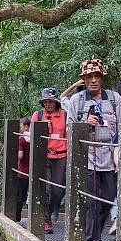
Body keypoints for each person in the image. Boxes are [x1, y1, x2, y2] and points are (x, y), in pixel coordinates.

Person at [61, 58, 121, 241]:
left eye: (97, 76)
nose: (94, 80)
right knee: (92, 202)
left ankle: (91, 234)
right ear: (84, 79)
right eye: (89, 76)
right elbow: (69, 129)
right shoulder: (76, 101)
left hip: (111, 154)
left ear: (102, 78)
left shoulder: (114, 99)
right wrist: (84, 124)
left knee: (108, 198)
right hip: (88, 156)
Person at [31, 87, 67, 233]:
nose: (48, 104)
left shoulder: (64, 114)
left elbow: (68, 134)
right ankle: (46, 219)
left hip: (61, 155)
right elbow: (31, 136)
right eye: (45, 101)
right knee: (46, 189)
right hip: (44, 155)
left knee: (57, 191)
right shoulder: (38, 115)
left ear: (56, 101)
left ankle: (49, 212)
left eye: (50, 101)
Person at [15, 117, 31, 224]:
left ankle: (17, 219)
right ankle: (32, 219)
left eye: (21, 126)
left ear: (26, 126)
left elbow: (20, 156)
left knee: (20, 197)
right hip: (33, 172)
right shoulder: (37, 137)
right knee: (32, 196)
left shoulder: (21, 139)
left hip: (22, 171)